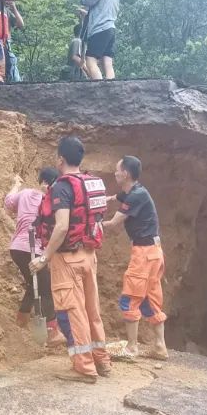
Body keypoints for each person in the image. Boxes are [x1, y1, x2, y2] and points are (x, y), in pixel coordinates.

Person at [31, 136, 112, 384]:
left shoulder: (62, 187)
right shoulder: (92, 183)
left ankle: (84, 367)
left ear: (61, 159)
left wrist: (44, 258)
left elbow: (62, 226)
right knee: (92, 310)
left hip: (68, 259)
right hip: (89, 256)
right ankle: (102, 361)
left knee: (72, 313)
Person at [103, 156, 168, 361]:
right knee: (150, 298)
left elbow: (114, 223)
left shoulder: (136, 196)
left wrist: (92, 224)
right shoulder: (137, 191)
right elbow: (120, 196)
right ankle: (159, 346)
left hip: (144, 254)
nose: (115, 173)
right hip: (154, 252)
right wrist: (108, 199)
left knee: (130, 298)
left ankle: (131, 348)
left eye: (117, 170)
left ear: (126, 174)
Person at [4, 169, 64, 346]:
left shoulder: (25, 193)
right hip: (35, 250)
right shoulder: (52, 201)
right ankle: (53, 333)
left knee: (33, 283)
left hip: (17, 249)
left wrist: (16, 185)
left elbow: (8, 202)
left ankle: (21, 320)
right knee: (46, 289)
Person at [78, 0, 119, 80]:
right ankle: (112, 88)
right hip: (110, 28)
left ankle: (99, 88)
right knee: (107, 62)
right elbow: (103, 9)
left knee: (90, 60)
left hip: (99, 28)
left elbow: (89, 0)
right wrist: (87, 14)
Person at [3, 0, 24, 83]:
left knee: (11, 64)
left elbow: (21, 25)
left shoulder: (7, 11)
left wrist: (14, 8)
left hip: (7, 43)